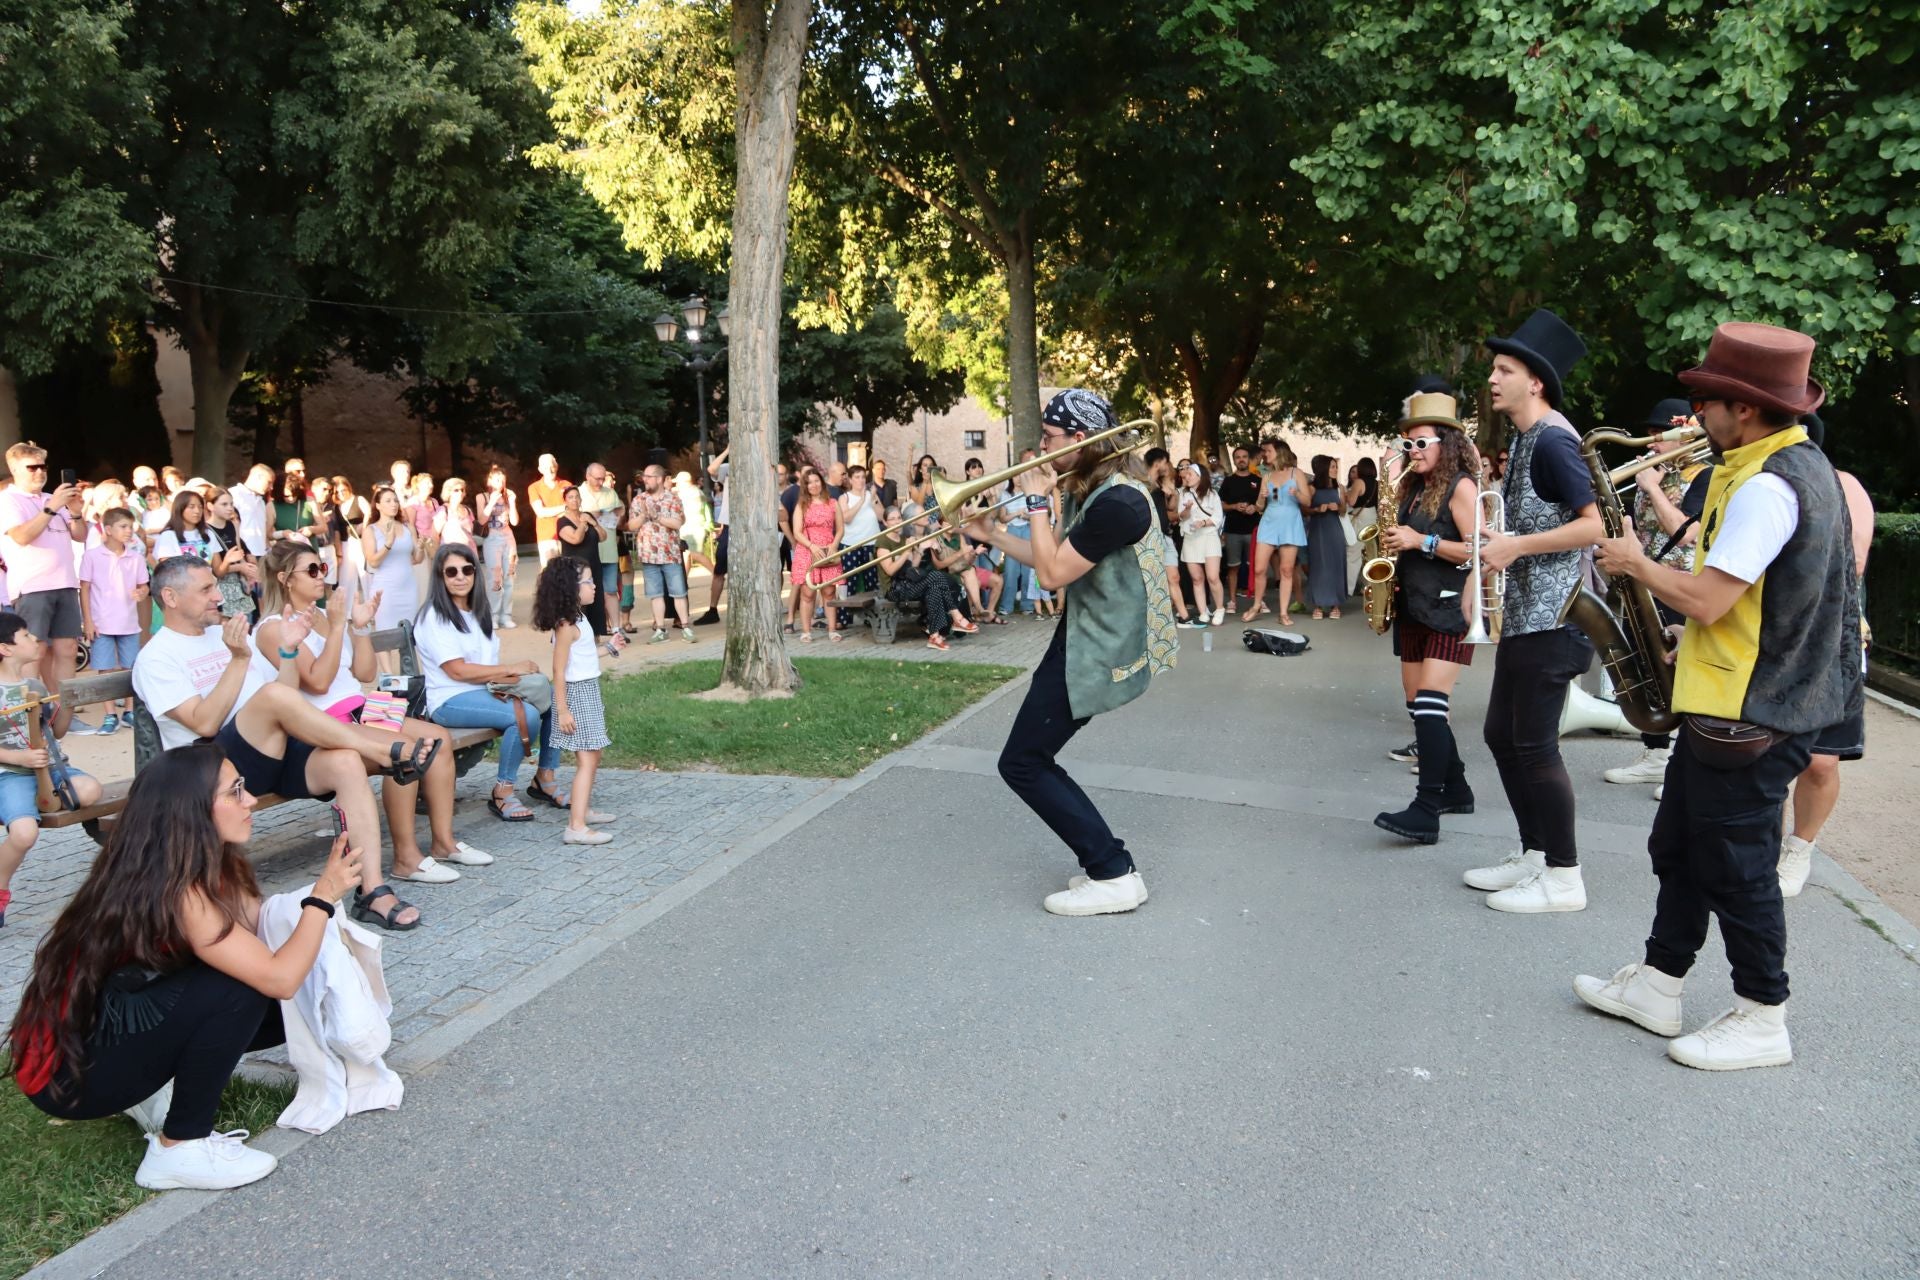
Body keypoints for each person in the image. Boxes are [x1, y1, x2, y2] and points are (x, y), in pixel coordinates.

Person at [1580, 322, 1862, 1070]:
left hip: (1753, 713)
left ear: (1744, 408)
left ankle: (1763, 1014)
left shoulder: (1772, 486)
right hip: (1734, 701)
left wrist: (1637, 564)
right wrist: (1690, 645)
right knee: (1680, 844)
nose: (1694, 414)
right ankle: (1660, 981)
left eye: (1706, 400)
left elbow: (1707, 599)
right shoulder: (1787, 468)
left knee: (1738, 869)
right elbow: (1756, 604)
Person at [8, 745, 361, 1188]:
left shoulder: (192, 863)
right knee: (241, 989)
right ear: (190, 810)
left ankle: (150, 1091)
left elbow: (258, 931)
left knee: (279, 1001)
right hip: (67, 1078)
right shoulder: (179, 892)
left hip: (101, 1035)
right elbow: (279, 977)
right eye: (235, 792)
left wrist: (310, 917)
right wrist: (322, 897)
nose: (250, 800)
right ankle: (180, 1147)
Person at [134, 557, 441, 925]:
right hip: (211, 767)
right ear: (170, 596)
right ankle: (382, 750)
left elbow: (287, 694)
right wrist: (237, 661)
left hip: (267, 751)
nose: (218, 596)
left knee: (344, 761)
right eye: (205, 589)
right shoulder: (156, 657)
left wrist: (290, 652)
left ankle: (371, 890)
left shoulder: (225, 634)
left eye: (214, 586)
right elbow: (205, 722)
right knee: (271, 700)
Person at [962, 390, 1177, 916]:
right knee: (1031, 758)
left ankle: (1113, 872)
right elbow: (1051, 558)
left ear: (1080, 442)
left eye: (1050, 440)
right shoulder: (1095, 489)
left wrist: (1035, 501)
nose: (1039, 449)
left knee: (1024, 762)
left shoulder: (1120, 504)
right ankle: (1108, 867)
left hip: (1100, 646)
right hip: (1083, 636)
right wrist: (988, 532)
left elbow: (1054, 575)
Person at [1464, 308, 1604, 913]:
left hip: (1558, 618)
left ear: (1536, 381)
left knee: (1535, 746)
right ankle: (1535, 853)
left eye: (1504, 369)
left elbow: (1594, 525)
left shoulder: (1553, 440)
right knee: (1502, 734)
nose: (1493, 378)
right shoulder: (1525, 438)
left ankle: (1564, 877)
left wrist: (1515, 545)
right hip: (1527, 616)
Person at [254, 542, 486, 903]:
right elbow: (317, 681)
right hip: (325, 721)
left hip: (361, 704)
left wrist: (358, 628)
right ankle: (407, 858)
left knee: (436, 738)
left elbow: (363, 672)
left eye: (323, 568)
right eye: (312, 570)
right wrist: (335, 628)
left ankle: (444, 842)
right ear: (285, 579)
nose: (322, 576)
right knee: (406, 751)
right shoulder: (273, 628)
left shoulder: (323, 615)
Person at [1371, 394, 1480, 844]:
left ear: (1445, 443)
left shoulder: (1461, 487)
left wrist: (1422, 542)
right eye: (1408, 444)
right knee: (1419, 707)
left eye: (1421, 444)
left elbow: (1479, 549)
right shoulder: (1414, 487)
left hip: (1452, 606)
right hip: (1414, 605)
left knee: (1433, 704)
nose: (1412, 451)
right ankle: (1457, 789)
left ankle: (1427, 807)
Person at [1778, 410, 1875, 897]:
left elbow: (1850, 563)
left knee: (1821, 761)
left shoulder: (1843, 484)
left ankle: (1799, 849)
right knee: (1763, 752)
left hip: (1832, 640)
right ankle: (1756, 844)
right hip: (1772, 640)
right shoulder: (1759, 482)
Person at [1601, 399, 1709, 787]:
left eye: (1659, 435)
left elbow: (1686, 529)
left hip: (1679, 586)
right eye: (1650, 435)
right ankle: (1655, 752)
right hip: (1642, 585)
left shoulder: (1704, 474)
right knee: (1646, 669)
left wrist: (1651, 487)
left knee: (1677, 670)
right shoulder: (1656, 473)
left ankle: (1682, 762)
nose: (1652, 443)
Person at [416, 544, 563, 821]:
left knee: (553, 698)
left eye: (467, 570)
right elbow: (457, 671)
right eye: (451, 572)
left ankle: (545, 777)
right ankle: (503, 792)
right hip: (449, 700)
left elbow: (483, 667)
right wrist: (510, 668)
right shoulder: (433, 617)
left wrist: (513, 677)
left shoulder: (477, 614)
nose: (460, 577)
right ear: (440, 576)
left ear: (475, 573)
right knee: (526, 715)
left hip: (484, 691)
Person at [0, 613, 105, 927]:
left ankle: (33, 801)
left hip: (52, 769)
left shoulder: (34, 684)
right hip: (11, 774)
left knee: (90, 790)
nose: (35, 640)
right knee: (24, 833)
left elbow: (56, 731)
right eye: (26, 636)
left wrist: (68, 702)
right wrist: (19, 760)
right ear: (5, 648)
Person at [534, 558, 615, 845]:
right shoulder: (566, 626)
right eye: (588, 581)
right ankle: (576, 826)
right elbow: (559, 671)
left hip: (587, 690)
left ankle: (583, 810)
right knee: (587, 757)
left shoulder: (579, 619)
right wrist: (563, 710)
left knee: (594, 755)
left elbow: (585, 657)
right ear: (571, 587)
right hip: (575, 695)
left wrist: (610, 649)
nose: (594, 586)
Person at [0, 442, 89, 697]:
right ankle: (32, 713)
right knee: (33, 651)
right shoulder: (7, 500)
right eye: (33, 467)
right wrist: (50, 509)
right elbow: (21, 536)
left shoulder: (53, 498)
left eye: (43, 466)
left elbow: (80, 536)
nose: (40, 472)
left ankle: (65, 712)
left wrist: (75, 513)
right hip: (32, 585)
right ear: (15, 468)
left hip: (65, 582)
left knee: (68, 649)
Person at [79, 508, 150, 733]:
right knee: (104, 668)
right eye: (123, 526)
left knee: (130, 667)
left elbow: (143, 585)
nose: (129, 531)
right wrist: (88, 621)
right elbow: (85, 588)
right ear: (108, 529)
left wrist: (142, 593)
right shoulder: (91, 556)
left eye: (130, 526)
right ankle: (110, 714)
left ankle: (129, 711)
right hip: (101, 622)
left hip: (129, 621)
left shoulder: (136, 557)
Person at [877, 505, 977, 651]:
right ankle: (957, 617)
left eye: (898, 518)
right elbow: (890, 571)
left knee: (934, 587)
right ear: (885, 523)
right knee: (936, 576)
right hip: (894, 589)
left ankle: (935, 636)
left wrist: (920, 549)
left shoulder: (906, 538)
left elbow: (912, 567)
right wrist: (906, 550)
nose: (896, 521)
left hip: (908, 583)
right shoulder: (882, 542)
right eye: (892, 519)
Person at [1243, 439, 1309, 624]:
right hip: (1269, 522)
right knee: (1259, 569)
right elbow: (1260, 507)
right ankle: (1256, 606)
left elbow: (1308, 501)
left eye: (1268, 451)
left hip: (1290, 523)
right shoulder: (1267, 476)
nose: (1265, 454)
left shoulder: (1297, 473)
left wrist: (1296, 494)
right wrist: (1261, 498)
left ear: (1279, 452)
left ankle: (1283, 613)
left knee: (1287, 570)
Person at [628, 466, 695, 642]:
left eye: (649, 476)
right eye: (644, 476)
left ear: (659, 479)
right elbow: (631, 526)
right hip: (648, 555)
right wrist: (643, 516)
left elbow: (677, 523)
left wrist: (656, 517)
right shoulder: (638, 500)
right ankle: (660, 629)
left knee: (678, 592)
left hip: (670, 553)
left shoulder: (672, 499)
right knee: (655, 594)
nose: (645, 479)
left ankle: (686, 627)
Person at [361, 486, 422, 674]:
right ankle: (389, 677)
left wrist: (419, 548)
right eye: (388, 500)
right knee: (385, 632)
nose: (393, 504)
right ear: (377, 505)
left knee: (410, 631)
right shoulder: (370, 530)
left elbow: (416, 559)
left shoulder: (407, 527)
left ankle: (410, 672)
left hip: (408, 586)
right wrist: (388, 543)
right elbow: (373, 561)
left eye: (395, 500)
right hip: (385, 588)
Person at [789, 469, 844, 643]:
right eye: (809, 482)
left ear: (822, 482)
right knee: (807, 592)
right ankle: (806, 631)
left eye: (816, 481)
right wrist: (812, 546)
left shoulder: (833, 503)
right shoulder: (801, 505)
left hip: (828, 548)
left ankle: (832, 629)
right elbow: (797, 532)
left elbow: (841, 528)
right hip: (807, 549)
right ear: (805, 486)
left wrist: (833, 545)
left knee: (829, 591)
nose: (814, 485)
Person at [1177, 462, 1227, 625]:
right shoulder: (1183, 494)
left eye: (1190, 473)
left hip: (1209, 537)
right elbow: (1181, 517)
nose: (1187, 476)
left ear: (1200, 476)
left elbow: (1218, 518)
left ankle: (1219, 608)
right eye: (1186, 474)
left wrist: (1203, 523)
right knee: (1197, 578)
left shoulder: (1212, 494)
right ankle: (1202, 610)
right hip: (1191, 538)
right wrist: (1187, 510)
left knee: (1212, 576)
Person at [1303, 454, 1349, 620]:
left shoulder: (1340, 488)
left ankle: (1336, 604)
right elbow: (1304, 509)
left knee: (1336, 564)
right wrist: (1316, 510)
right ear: (1323, 469)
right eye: (1332, 466)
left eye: (1336, 466)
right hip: (1317, 530)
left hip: (1335, 530)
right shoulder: (1311, 488)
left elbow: (1344, 510)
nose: (1335, 469)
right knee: (1318, 565)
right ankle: (1318, 604)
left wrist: (1337, 507)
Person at [476, 466, 520, 629]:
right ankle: (493, 615)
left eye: (502, 480)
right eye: (496, 479)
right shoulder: (482, 497)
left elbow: (515, 521)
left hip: (508, 537)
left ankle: (506, 615)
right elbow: (481, 520)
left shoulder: (508, 496)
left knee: (509, 576)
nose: (500, 483)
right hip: (492, 538)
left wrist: (513, 502)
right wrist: (493, 501)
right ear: (489, 480)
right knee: (495, 576)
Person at [580, 463, 624, 628]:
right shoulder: (578, 493)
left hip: (609, 550)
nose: (600, 482)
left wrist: (619, 515)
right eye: (597, 479)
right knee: (587, 592)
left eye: (602, 478)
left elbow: (619, 514)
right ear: (588, 476)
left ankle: (616, 628)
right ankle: (588, 629)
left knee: (611, 590)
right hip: (589, 552)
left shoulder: (610, 493)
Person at [1218, 447, 1260, 606]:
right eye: (1238, 457)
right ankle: (1232, 601)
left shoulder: (1258, 480)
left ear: (1249, 459)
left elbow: (1264, 504)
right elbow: (1220, 505)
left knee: (1256, 568)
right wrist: (1234, 506)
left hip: (1253, 530)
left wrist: (1254, 508)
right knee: (1233, 567)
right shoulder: (1228, 481)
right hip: (1233, 530)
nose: (1241, 459)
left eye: (1244, 456)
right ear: (1234, 460)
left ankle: (1258, 600)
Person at [837, 465, 884, 595]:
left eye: (863, 477)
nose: (861, 480)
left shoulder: (871, 495)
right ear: (850, 480)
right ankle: (845, 614)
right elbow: (846, 518)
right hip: (851, 545)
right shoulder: (844, 497)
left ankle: (870, 615)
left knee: (872, 582)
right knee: (849, 582)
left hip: (871, 544)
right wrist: (862, 500)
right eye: (857, 477)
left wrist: (873, 499)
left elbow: (882, 517)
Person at [1344, 457, 1379, 596]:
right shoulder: (1377, 483)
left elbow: (1352, 502)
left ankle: (1347, 588)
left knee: (1353, 553)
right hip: (1372, 516)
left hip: (1360, 516)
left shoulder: (1359, 482)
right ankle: (1370, 587)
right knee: (1370, 553)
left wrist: (1345, 494)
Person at [529, 454, 569, 569]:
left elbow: (574, 509)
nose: (550, 470)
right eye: (546, 467)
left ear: (556, 466)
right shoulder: (534, 487)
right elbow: (540, 512)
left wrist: (551, 511)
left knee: (567, 571)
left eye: (552, 466)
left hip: (567, 533)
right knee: (549, 572)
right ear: (540, 469)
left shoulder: (567, 485)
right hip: (547, 536)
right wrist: (564, 508)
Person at [231, 464, 274, 558]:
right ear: (259, 477)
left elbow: (261, 531)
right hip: (244, 555)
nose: (271, 487)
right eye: (269, 482)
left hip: (262, 555)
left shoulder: (262, 502)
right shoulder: (234, 495)